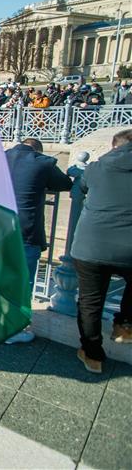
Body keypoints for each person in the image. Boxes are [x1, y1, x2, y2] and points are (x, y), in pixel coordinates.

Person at [71, 129, 132, 374]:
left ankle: (93, 355)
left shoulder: (95, 168)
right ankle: (124, 326)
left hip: (91, 245)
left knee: (90, 302)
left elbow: (82, 188)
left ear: (113, 146)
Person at [5, 138, 73, 344]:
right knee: (23, 282)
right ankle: (13, 330)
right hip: (25, 231)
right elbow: (65, 184)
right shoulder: (43, 163)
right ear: (38, 150)